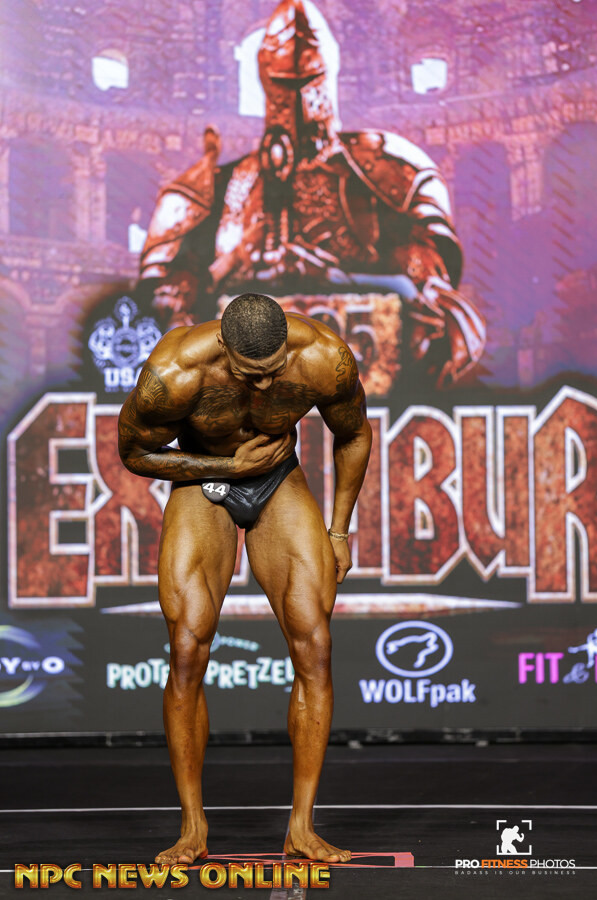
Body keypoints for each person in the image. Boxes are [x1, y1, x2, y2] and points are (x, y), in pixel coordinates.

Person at [118, 292, 372, 864]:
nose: (264, 385)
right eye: (249, 374)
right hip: (203, 480)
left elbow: (354, 433)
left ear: (286, 346)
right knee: (188, 645)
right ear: (223, 347)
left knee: (315, 643)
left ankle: (302, 827)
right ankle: (192, 828)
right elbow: (133, 452)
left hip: (278, 479)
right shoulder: (174, 371)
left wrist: (338, 530)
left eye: (274, 371)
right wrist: (227, 467)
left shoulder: (325, 357)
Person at [138, 0, 485, 389]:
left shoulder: (390, 170)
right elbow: (167, 303)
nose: (298, 99)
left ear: (328, 73)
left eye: (308, 81)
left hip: (366, 383)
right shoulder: (221, 185)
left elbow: (433, 292)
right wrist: (214, 276)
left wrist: (347, 277)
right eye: (285, 84)